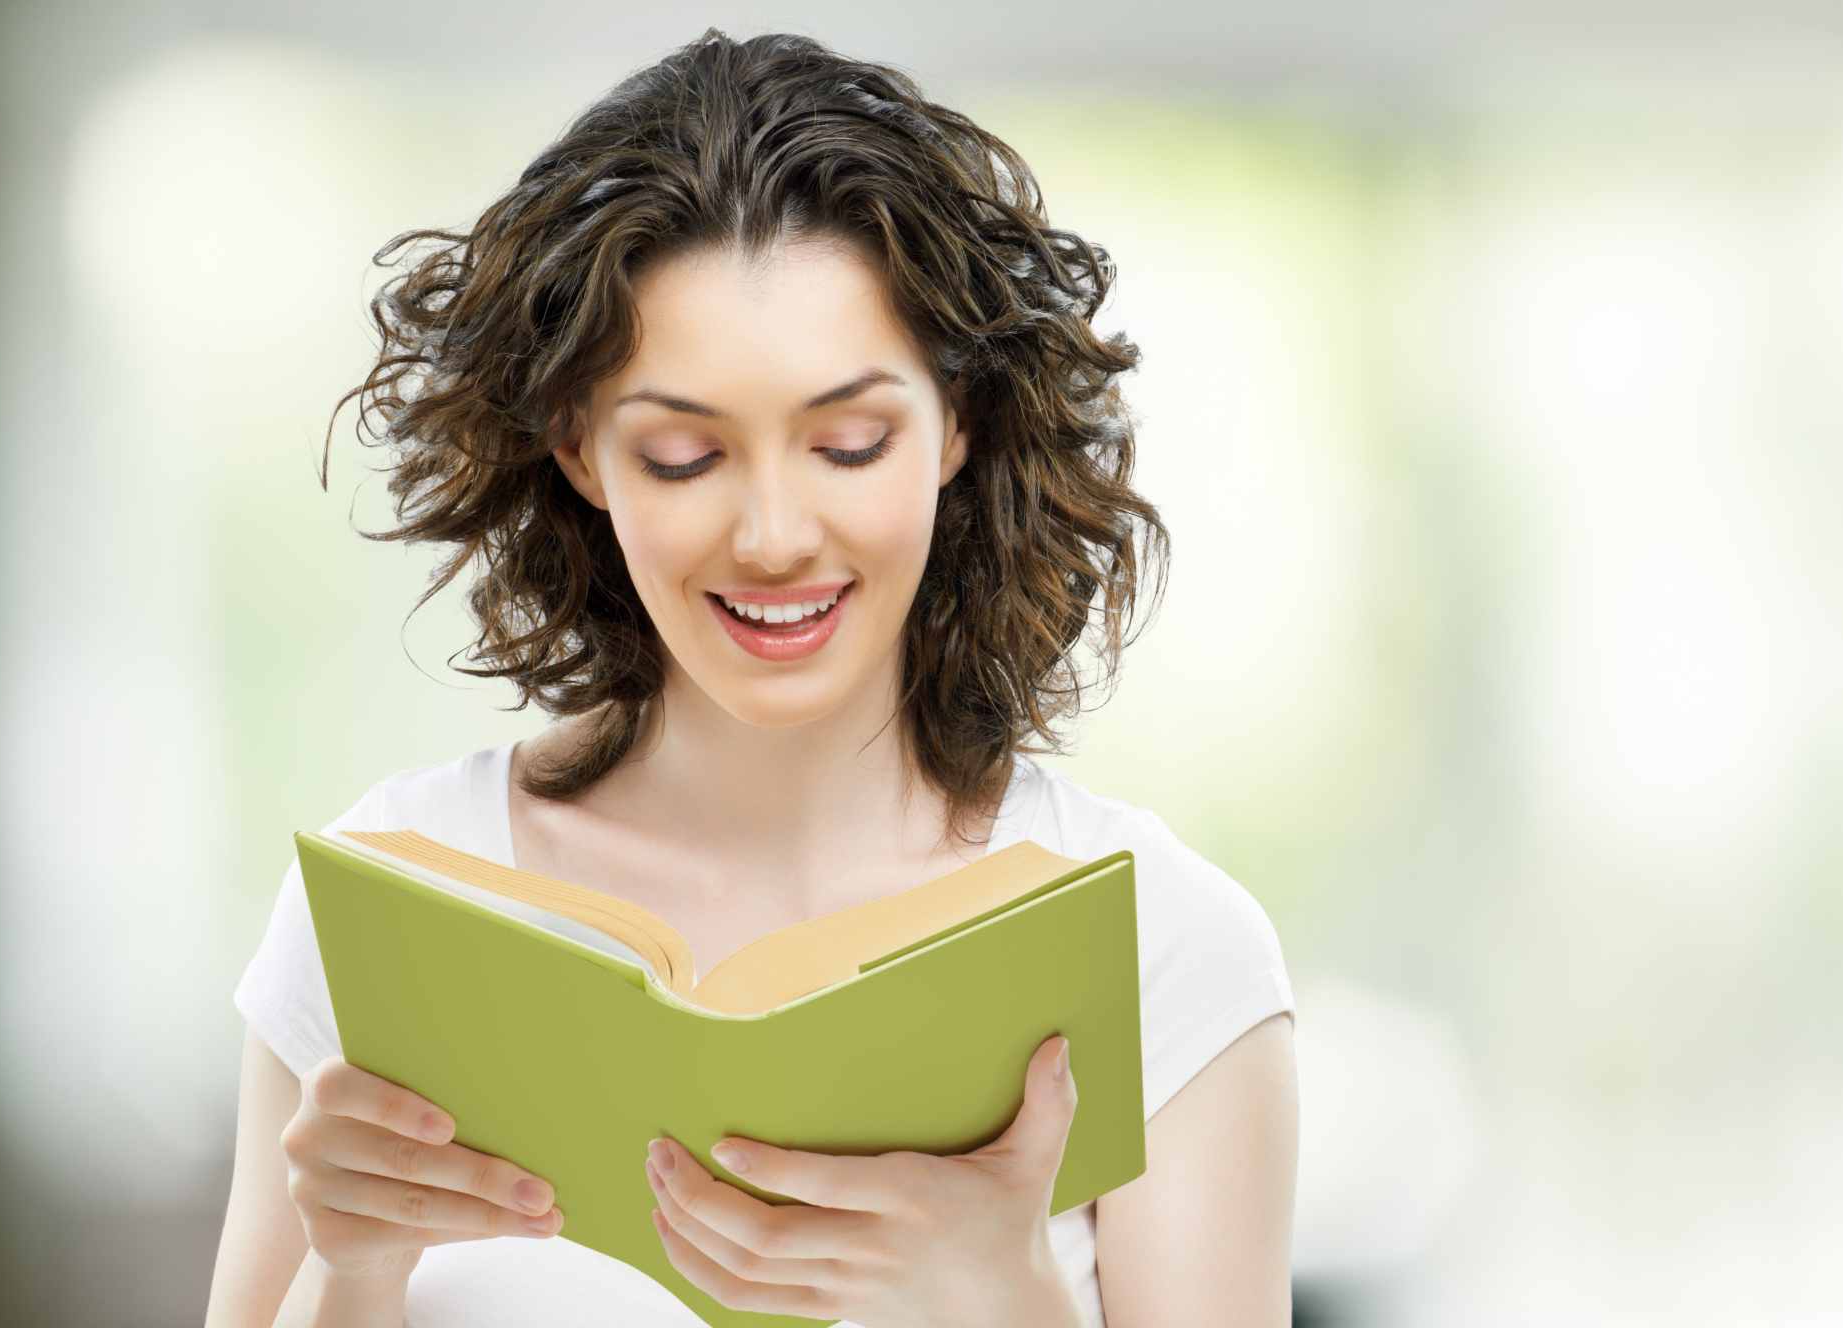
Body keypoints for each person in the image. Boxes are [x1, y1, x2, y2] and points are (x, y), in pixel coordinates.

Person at [204, 27, 1298, 1328]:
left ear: (954, 425)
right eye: (681, 457)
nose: (774, 533)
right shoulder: (383, 909)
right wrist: (353, 1267)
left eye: (848, 442)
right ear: (577, 451)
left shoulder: (1167, 953)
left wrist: (995, 1294)